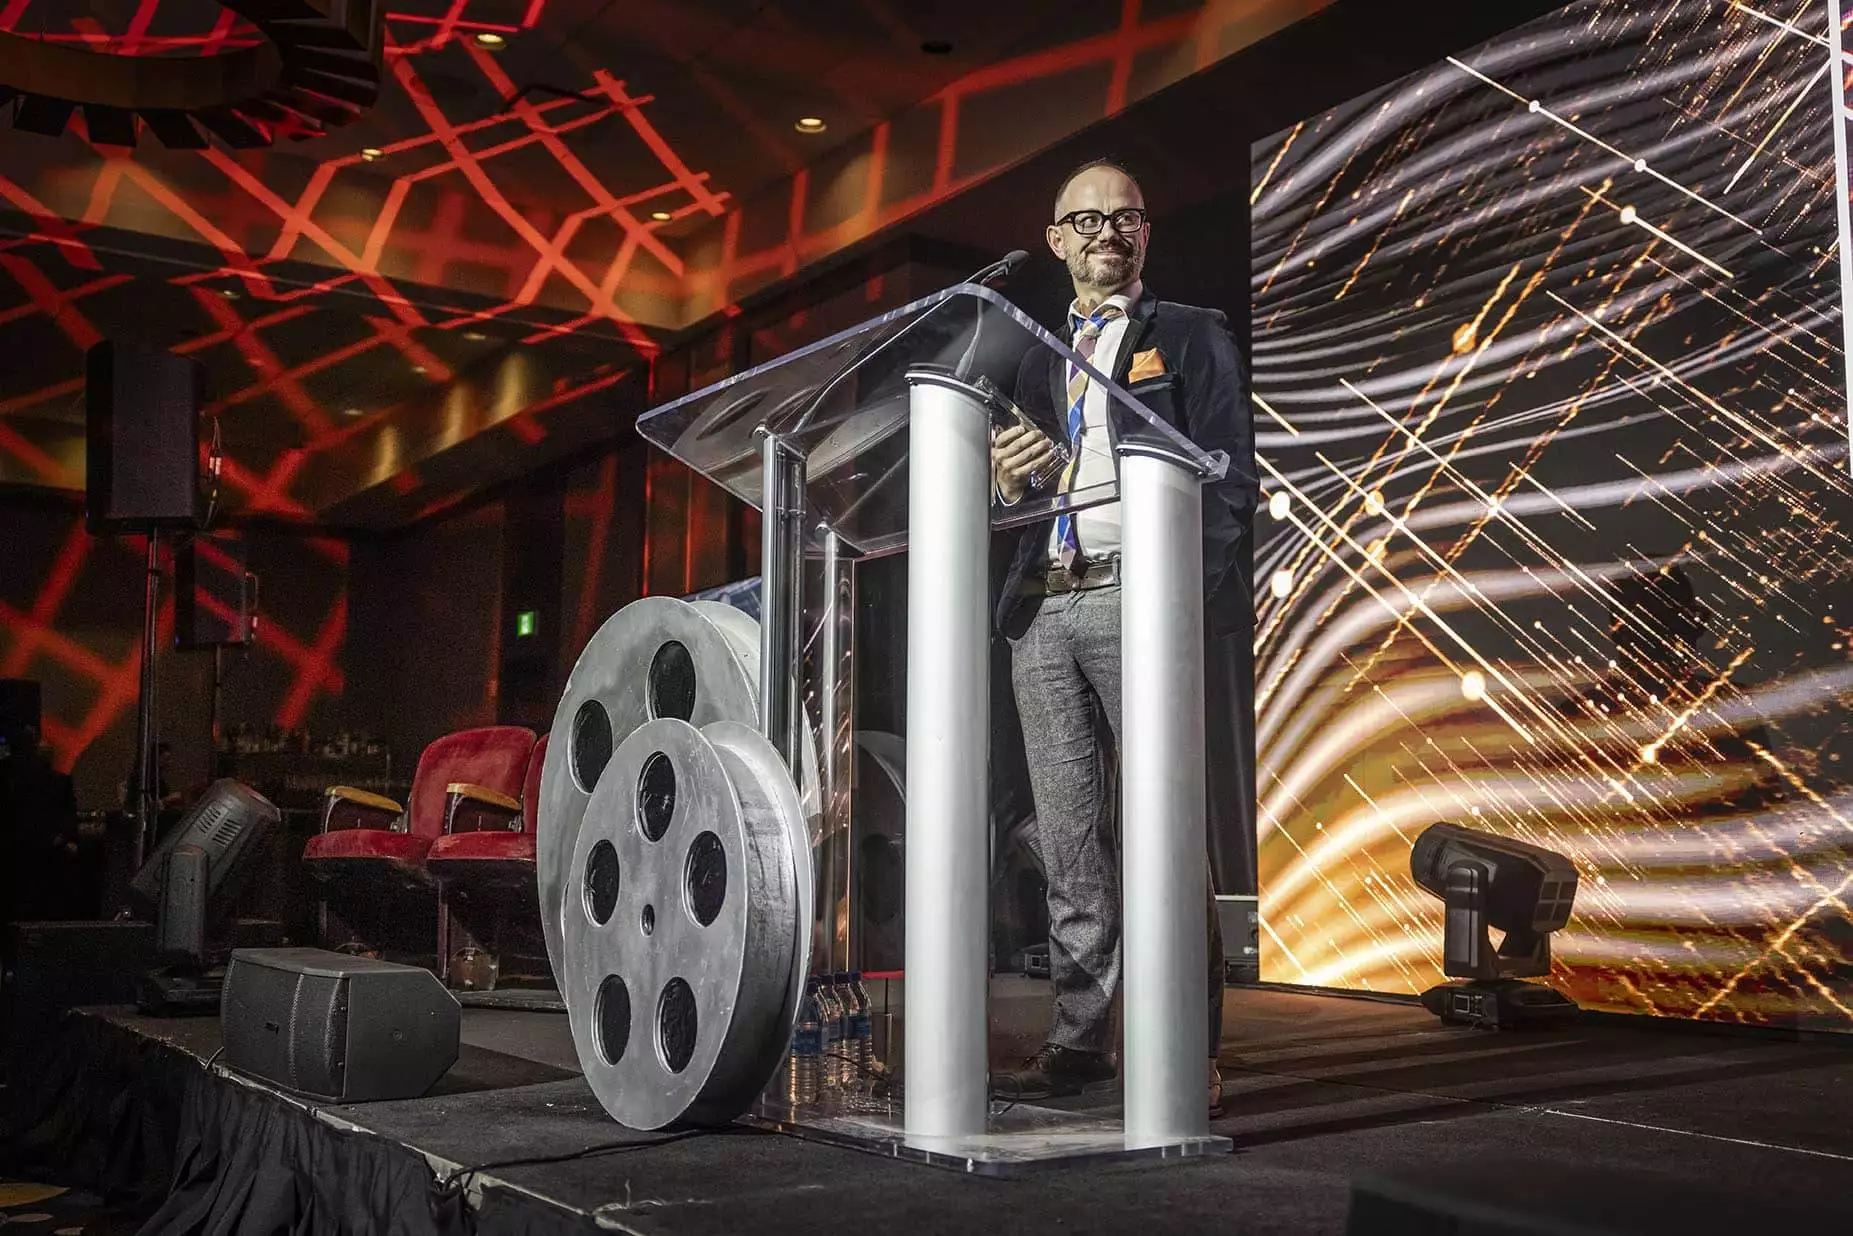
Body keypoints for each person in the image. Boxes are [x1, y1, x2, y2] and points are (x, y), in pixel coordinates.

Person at [990, 159, 1257, 1112]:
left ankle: (1184, 1045)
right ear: (1055, 240)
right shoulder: (1035, 356)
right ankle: (1079, 1043)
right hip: (1043, 605)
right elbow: (1017, 488)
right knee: (1069, 842)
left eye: (1125, 217)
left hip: (1136, 597)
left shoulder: (1189, 333)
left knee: (1162, 833)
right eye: (1087, 219)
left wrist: (1179, 595)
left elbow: (1229, 478)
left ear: (1145, 235)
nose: (1107, 231)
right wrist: (1006, 484)